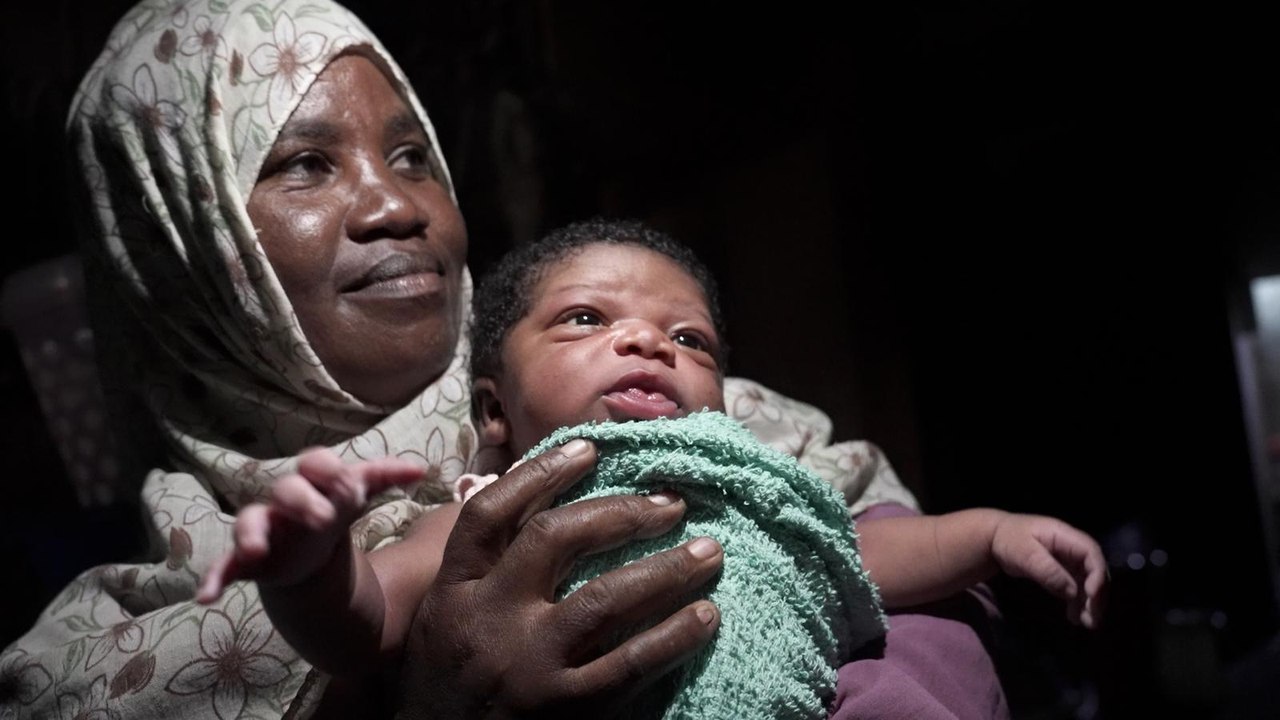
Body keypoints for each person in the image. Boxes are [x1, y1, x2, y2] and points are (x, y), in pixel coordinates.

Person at [0, 0, 1005, 717]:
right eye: (304, 163)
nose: (397, 207)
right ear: (171, 245)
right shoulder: (111, 656)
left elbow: (898, 591)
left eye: (409, 157)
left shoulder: (699, 420)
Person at [198, 219, 1105, 717]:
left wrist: (988, 534)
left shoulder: (747, 475)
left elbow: (860, 561)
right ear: (494, 411)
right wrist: (312, 565)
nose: (646, 340)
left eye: (690, 339)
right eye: (585, 320)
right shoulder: (494, 507)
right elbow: (368, 622)